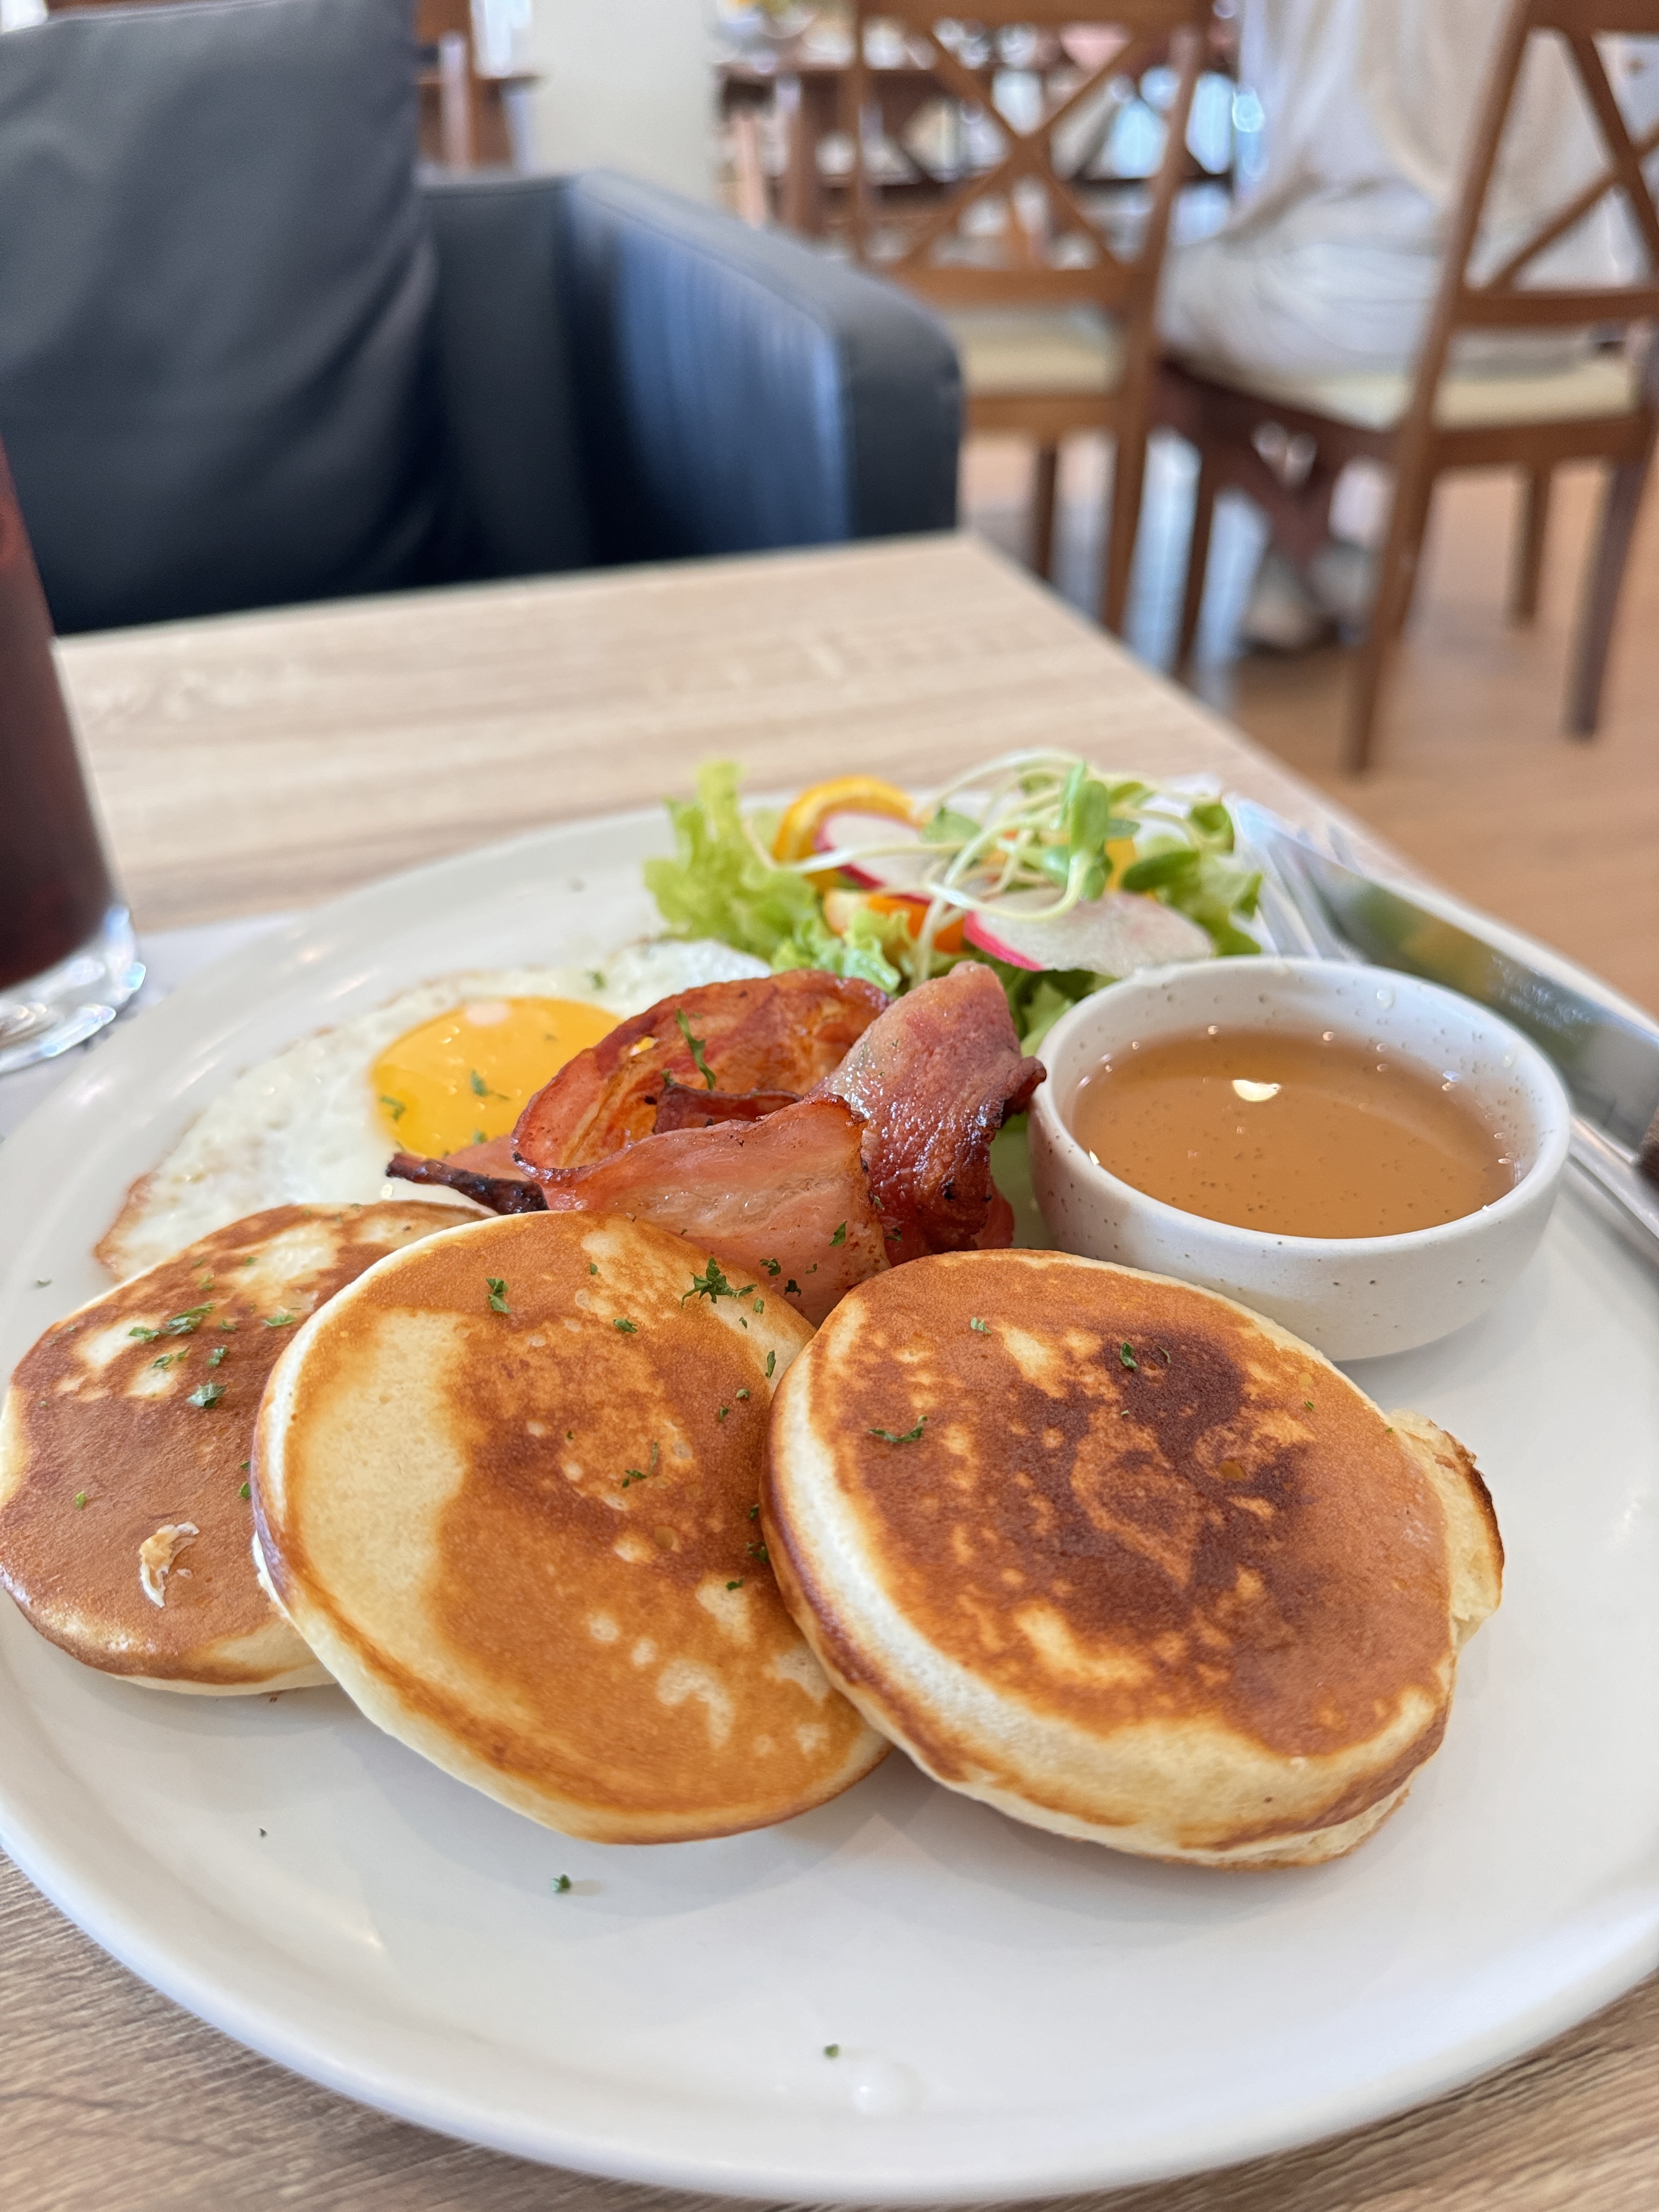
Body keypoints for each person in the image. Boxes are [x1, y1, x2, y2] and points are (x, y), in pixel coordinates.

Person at [1158, 0, 1659, 649]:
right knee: (1341, 240)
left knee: (1120, 298)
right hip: (1571, 305)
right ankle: (1296, 569)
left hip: (1374, 309)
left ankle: (1305, 543)